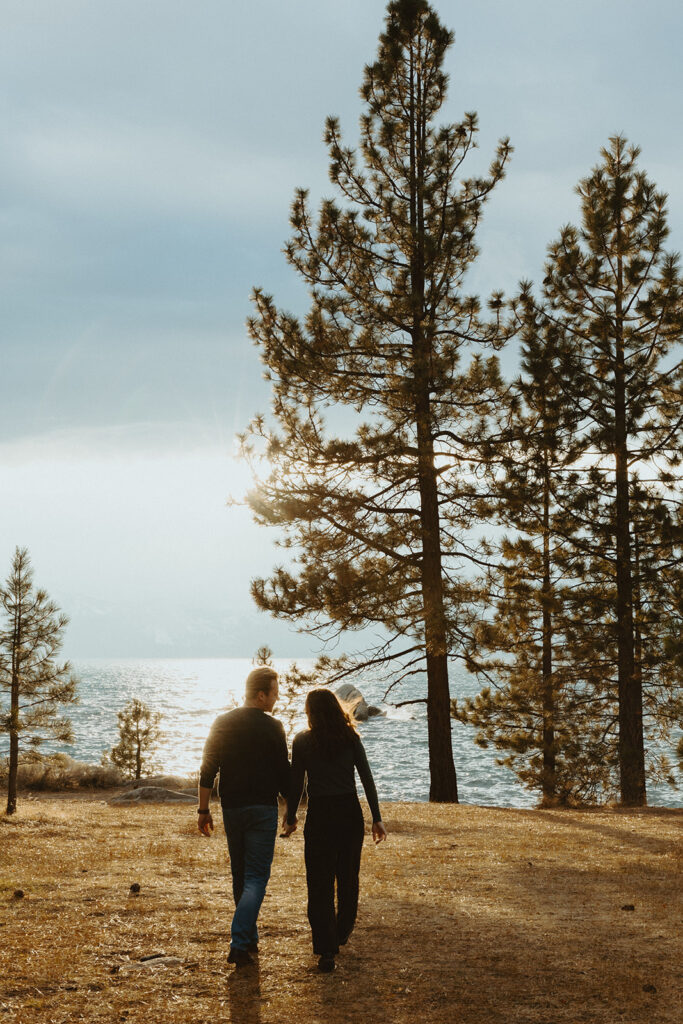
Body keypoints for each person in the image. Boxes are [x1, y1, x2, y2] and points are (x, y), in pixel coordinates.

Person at [282, 688, 387, 972]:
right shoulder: (350, 737)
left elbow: (297, 783)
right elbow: (367, 778)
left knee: (320, 883)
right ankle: (340, 932)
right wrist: (376, 817)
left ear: (311, 712)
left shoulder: (303, 741)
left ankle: (326, 949)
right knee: (348, 878)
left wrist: (290, 816)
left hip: (320, 815)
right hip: (348, 814)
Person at [197, 666, 292, 967]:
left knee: (241, 876)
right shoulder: (273, 727)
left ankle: (249, 940)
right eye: (274, 694)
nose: (276, 699)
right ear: (261, 695)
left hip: (232, 808)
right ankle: (239, 943)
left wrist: (202, 809)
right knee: (255, 878)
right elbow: (283, 773)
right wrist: (291, 810)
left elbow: (208, 769)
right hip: (262, 809)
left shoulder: (222, 722)